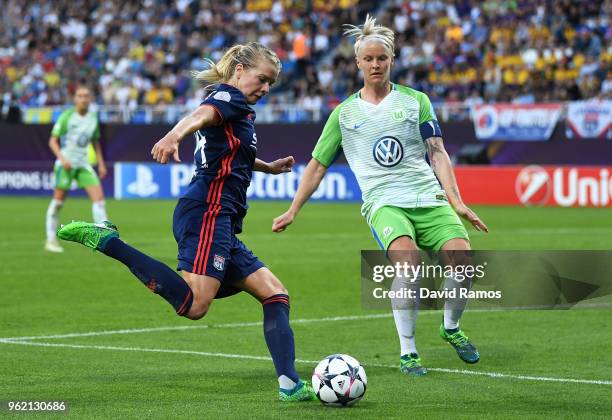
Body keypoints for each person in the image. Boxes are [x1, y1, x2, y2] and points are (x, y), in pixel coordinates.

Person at [57, 42, 315, 401]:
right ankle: (107, 241)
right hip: (208, 210)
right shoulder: (229, 98)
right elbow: (202, 114)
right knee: (195, 305)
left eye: (271, 83)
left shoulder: (238, 110)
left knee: (275, 293)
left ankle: (289, 384)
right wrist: (172, 134)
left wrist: (266, 166)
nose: (266, 88)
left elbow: (227, 149)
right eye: (262, 79)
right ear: (239, 69)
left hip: (220, 218)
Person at [272, 16, 489, 376]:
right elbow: (317, 165)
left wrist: (456, 199)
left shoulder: (416, 101)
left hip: (427, 196)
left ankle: (450, 328)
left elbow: (437, 151)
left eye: (382, 59)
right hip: (384, 202)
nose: (375, 64)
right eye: (368, 59)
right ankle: (409, 352)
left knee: (463, 261)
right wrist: (294, 208)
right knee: (409, 263)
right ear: (358, 63)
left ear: (392, 61)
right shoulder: (344, 114)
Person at [45, 86, 108, 253]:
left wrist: (101, 163)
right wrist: (62, 159)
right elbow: (53, 141)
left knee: (99, 200)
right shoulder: (67, 116)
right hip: (66, 164)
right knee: (58, 202)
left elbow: (95, 142)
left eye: (86, 95)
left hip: (83, 165)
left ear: (90, 98)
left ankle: (107, 238)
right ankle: (50, 239)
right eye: (80, 96)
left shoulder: (93, 117)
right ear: (75, 99)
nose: (83, 99)